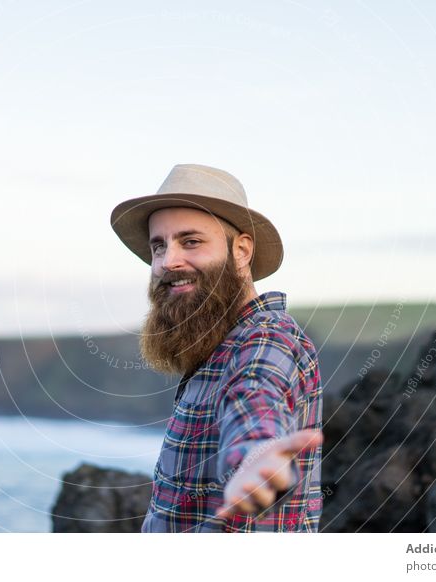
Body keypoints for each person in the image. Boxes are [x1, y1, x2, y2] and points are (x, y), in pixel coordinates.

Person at [110, 163, 323, 532]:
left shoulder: (266, 339)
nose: (167, 261)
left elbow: (256, 395)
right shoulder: (217, 344)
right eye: (158, 246)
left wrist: (255, 457)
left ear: (241, 251)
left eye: (191, 241)